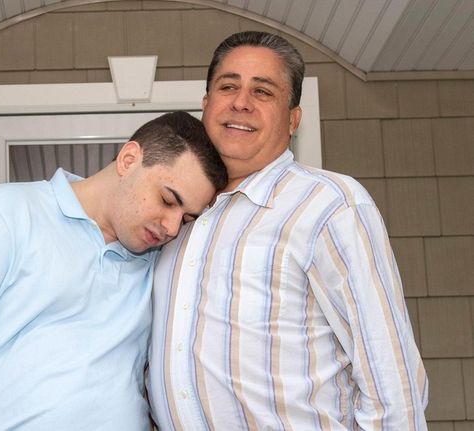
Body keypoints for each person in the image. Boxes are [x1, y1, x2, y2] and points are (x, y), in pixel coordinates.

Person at [147, 31, 428, 430]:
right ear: (206, 105)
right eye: (228, 86)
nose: (241, 102)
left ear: (293, 119)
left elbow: (391, 377)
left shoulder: (330, 205)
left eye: (263, 92)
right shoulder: (175, 216)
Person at [0, 111, 226, 430]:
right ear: (128, 159)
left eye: (186, 219)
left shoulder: (161, 264)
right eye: (167, 200)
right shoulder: (5, 213)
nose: (171, 227)